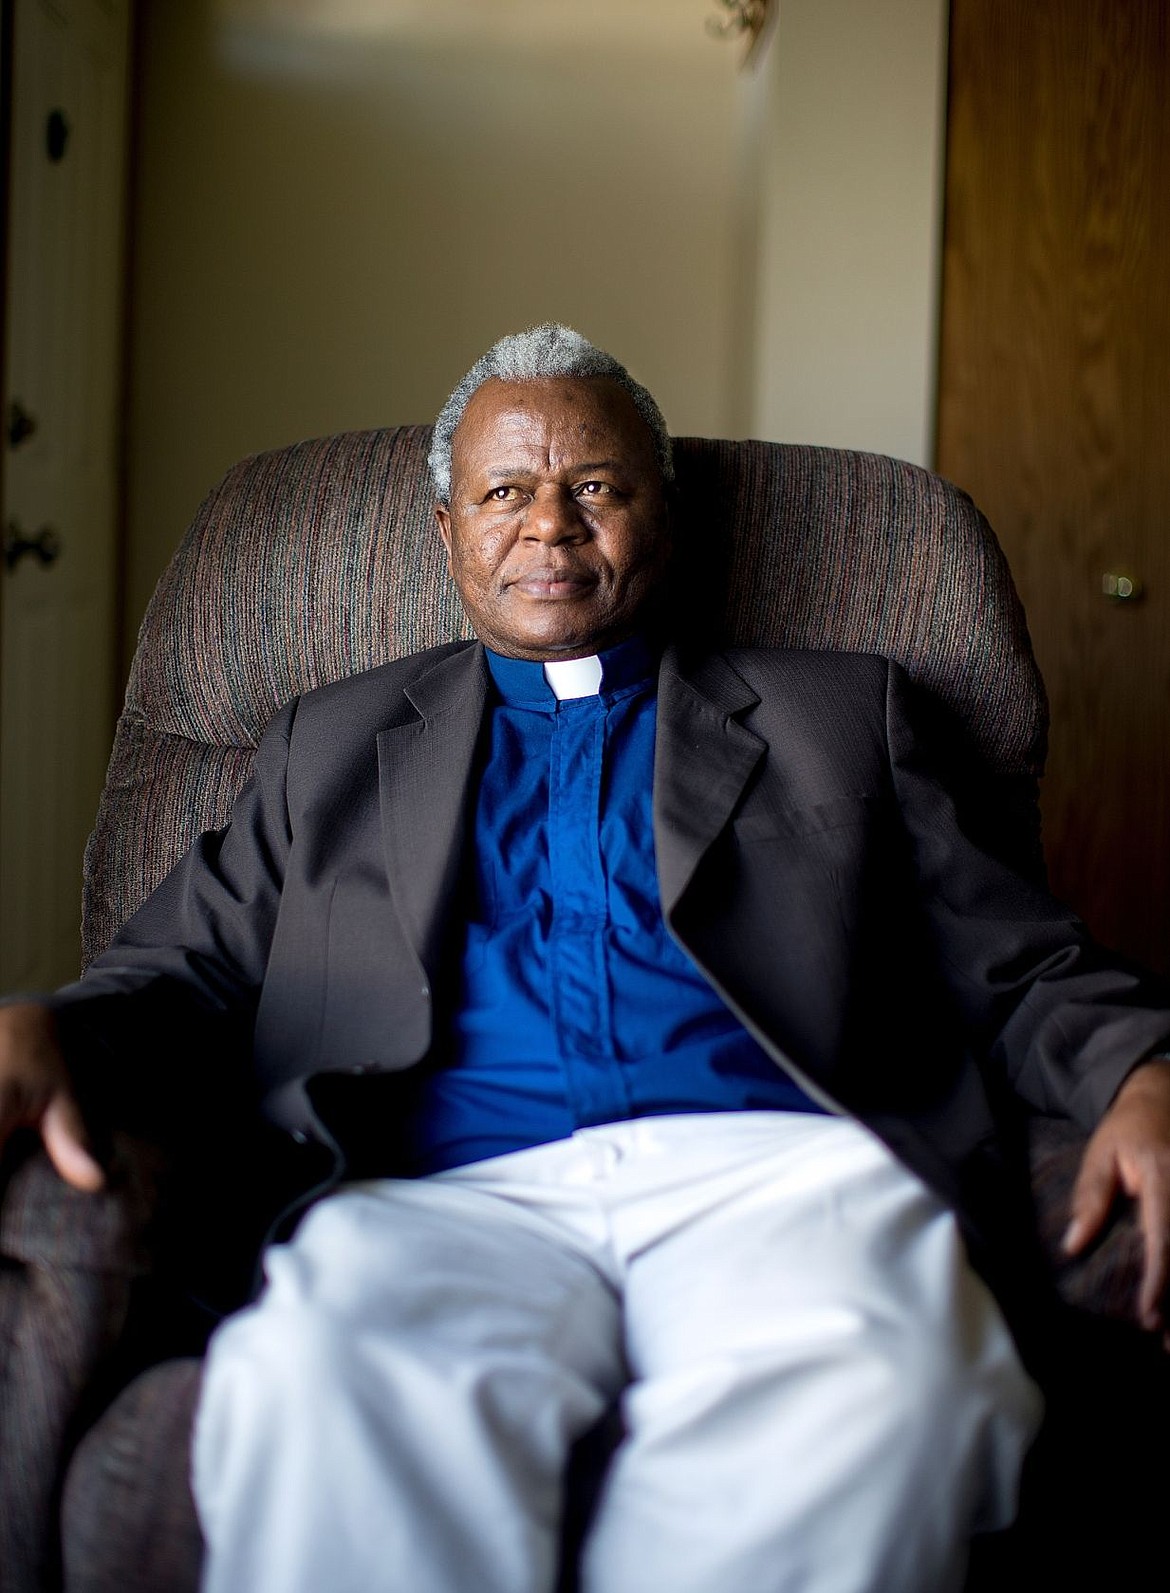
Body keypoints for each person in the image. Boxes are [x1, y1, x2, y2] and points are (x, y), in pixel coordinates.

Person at [2, 323, 1169, 1593]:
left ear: (661, 521)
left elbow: (1020, 963)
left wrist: (1141, 1071)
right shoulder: (327, 746)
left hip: (777, 1177)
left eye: (596, 488)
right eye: (506, 491)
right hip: (437, 1189)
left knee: (879, 1396)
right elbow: (184, 965)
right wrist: (46, 1027)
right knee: (323, 1393)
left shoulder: (843, 714)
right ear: (447, 526)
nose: (549, 527)